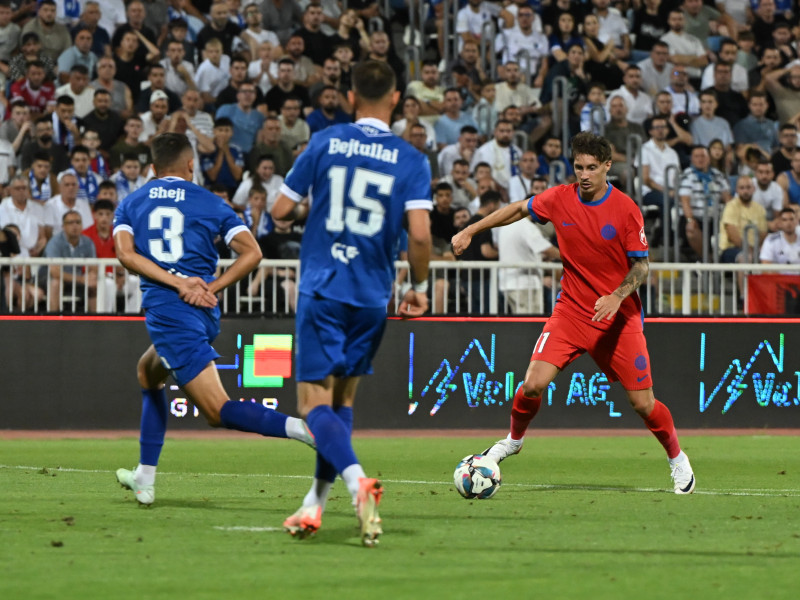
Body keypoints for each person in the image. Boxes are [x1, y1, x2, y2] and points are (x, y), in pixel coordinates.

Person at [452, 131, 696, 494]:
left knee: (643, 403)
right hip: (571, 312)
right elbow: (520, 208)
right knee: (532, 384)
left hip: (617, 318)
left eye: (591, 168)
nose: (583, 175)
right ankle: (513, 441)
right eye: (578, 167)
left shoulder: (626, 208)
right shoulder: (559, 199)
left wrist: (616, 296)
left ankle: (678, 459)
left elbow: (642, 267)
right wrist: (472, 228)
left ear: (607, 167)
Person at [270, 60, 432, 545]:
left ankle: (357, 482)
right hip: (372, 296)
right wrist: (419, 286)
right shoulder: (412, 159)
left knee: (311, 402)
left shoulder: (325, 141)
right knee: (341, 402)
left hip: (324, 286)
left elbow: (279, 211)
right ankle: (314, 504)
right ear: (397, 100)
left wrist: (309, 207)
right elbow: (420, 236)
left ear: (351, 97)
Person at [112, 132, 315, 507]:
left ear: (152, 168)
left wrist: (176, 283)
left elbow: (125, 254)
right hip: (204, 312)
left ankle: (306, 430)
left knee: (216, 411)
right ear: (191, 165)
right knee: (147, 372)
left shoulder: (130, 204)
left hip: (169, 311)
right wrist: (212, 286)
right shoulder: (212, 203)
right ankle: (145, 474)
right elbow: (253, 253)